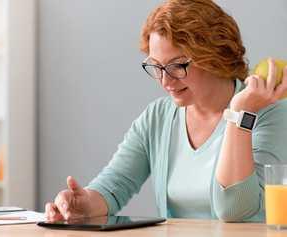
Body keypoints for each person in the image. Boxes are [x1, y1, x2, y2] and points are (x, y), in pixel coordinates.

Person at [45, 0, 287, 222]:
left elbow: (236, 210)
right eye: (156, 67)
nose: (164, 80)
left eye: (177, 65)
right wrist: (82, 204)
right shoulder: (158, 117)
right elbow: (115, 184)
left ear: (215, 56)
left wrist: (239, 114)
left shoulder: (269, 114)